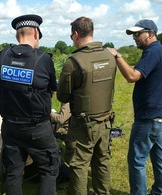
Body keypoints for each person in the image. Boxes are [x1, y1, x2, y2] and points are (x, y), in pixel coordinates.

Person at [0, 14, 60, 195]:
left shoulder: (2, 56)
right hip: (37, 129)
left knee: (13, 172)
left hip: (10, 126)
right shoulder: (44, 58)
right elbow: (53, 88)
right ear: (36, 34)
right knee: (49, 168)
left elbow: (1, 84)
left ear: (17, 36)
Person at [107, 19, 162, 195]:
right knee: (160, 158)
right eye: (133, 34)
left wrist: (117, 56)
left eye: (138, 34)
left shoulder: (152, 52)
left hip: (150, 119)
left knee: (136, 160)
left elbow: (132, 76)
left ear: (151, 33)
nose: (135, 38)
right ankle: (158, 192)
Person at [57, 16, 117, 195]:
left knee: (78, 165)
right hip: (106, 121)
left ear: (75, 34)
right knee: (102, 161)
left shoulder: (74, 62)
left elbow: (62, 96)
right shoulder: (110, 56)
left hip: (83, 125)